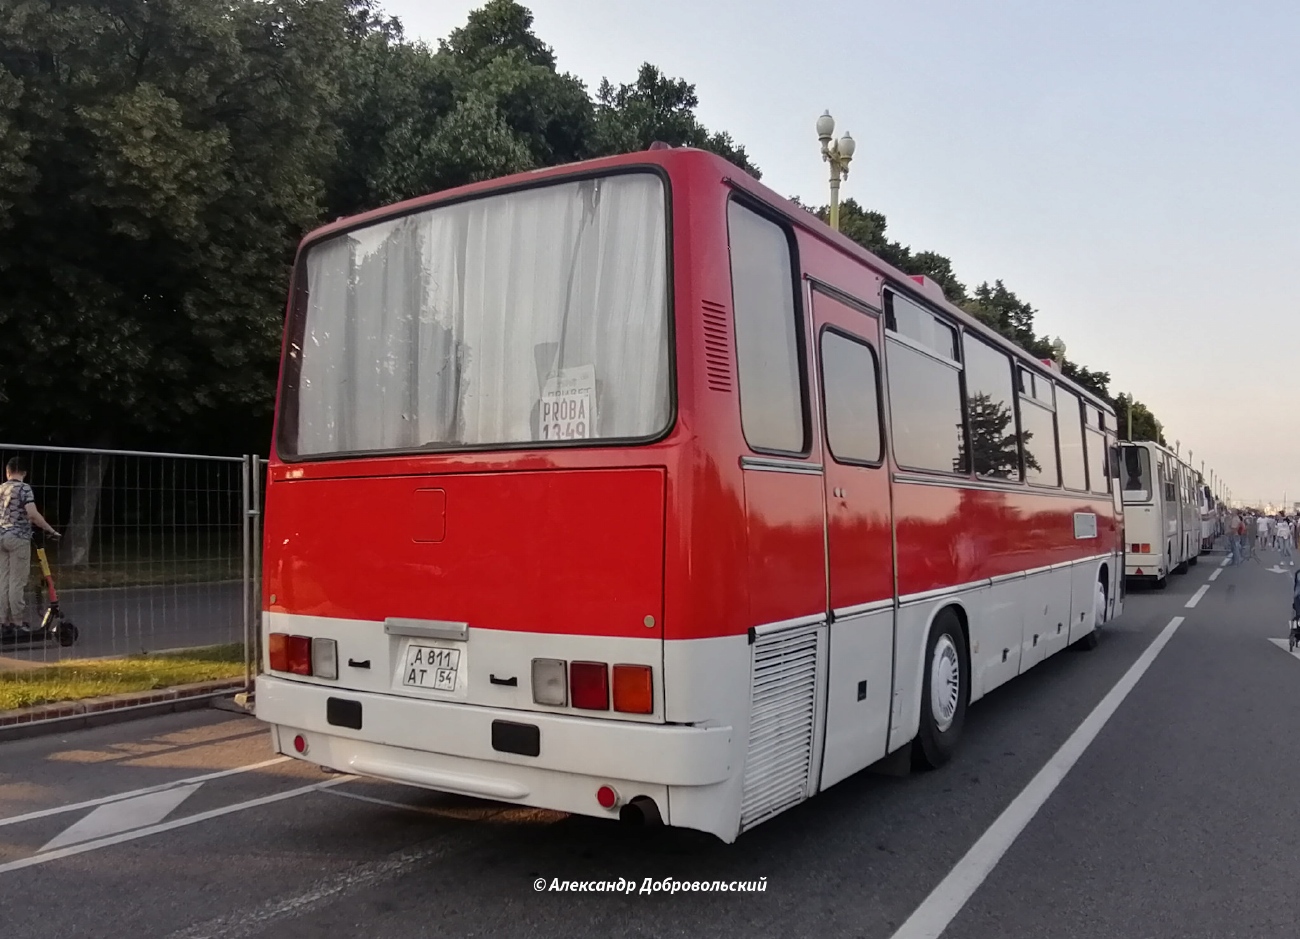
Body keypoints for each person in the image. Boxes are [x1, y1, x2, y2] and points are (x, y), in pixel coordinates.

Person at [0, 457, 61, 631]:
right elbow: (32, 514)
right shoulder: (24, 488)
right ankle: (17, 623)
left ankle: (3, 622)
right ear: (24, 473)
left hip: (1, 537)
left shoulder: (1, 488)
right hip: (18, 538)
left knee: (3, 580)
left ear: (7, 471)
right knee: (17, 582)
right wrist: (50, 530)